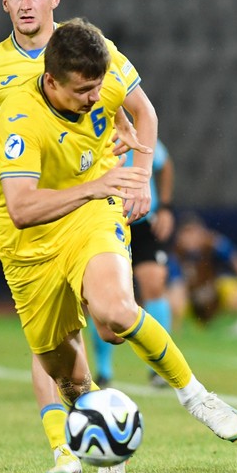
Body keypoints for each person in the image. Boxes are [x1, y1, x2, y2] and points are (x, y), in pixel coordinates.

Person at [0, 18, 237, 473]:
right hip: (29, 242)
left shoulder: (102, 67)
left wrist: (141, 173)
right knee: (66, 373)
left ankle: (195, 396)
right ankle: (110, 453)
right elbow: (23, 208)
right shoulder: (18, 119)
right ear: (51, 81)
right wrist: (95, 185)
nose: (95, 98)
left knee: (116, 312)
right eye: (83, 91)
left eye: (98, 87)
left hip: (92, 213)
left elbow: (145, 112)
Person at [0, 0, 150, 473]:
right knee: (50, 342)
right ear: (4, 2)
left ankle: (100, 428)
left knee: (109, 326)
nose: (27, 5)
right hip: (32, 217)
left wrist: (138, 167)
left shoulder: (84, 50)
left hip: (89, 208)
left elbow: (127, 106)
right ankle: (70, 451)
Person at [88, 138, 177, 389]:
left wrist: (167, 207)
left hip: (143, 221)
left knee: (154, 284)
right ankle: (103, 370)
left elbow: (165, 163)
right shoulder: (85, 130)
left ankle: (159, 369)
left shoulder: (134, 131)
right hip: (104, 222)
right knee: (102, 297)